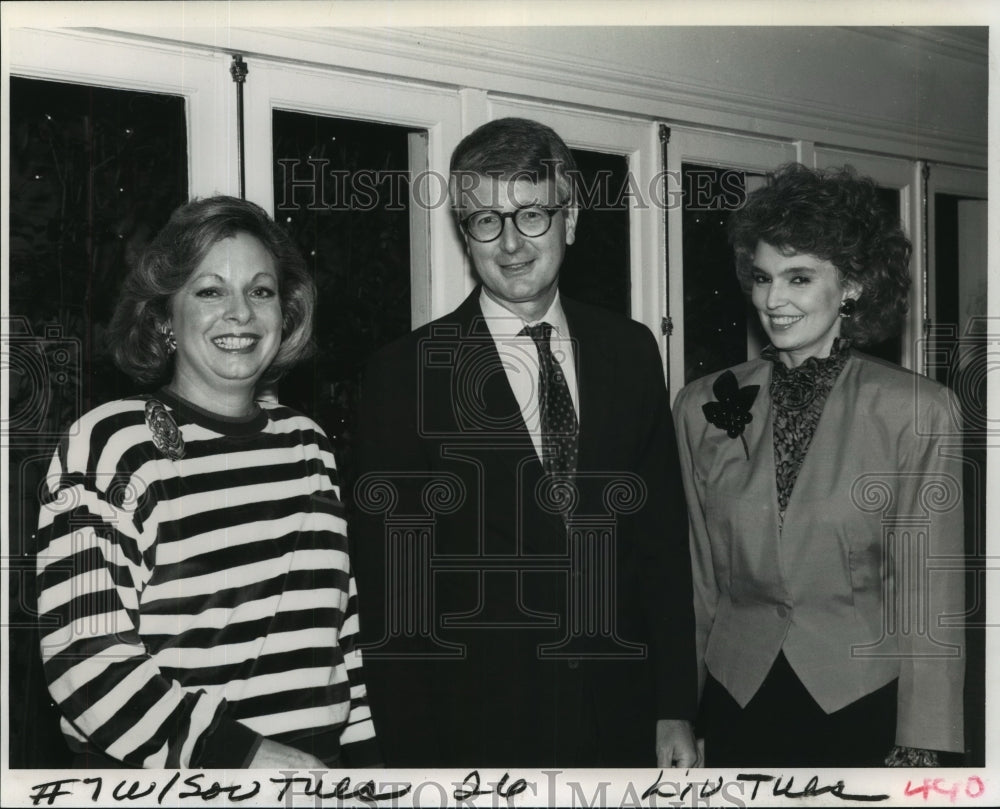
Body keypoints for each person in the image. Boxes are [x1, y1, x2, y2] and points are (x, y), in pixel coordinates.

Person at [353, 117, 697, 767]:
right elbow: (393, 597)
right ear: (465, 233)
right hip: (475, 734)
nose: (510, 243)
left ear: (569, 218)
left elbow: (660, 547)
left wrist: (674, 704)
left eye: (531, 214)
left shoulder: (630, 352)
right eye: (485, 220)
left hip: (623, 719)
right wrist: (417, 765)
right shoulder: (403, 374)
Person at [35, 196, 379, 769]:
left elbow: (346, 632)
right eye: (210, 290)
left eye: (261, 290)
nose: (240, 312)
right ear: (165, 316)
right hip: (181, 782)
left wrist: (368, 767)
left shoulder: (308, 442)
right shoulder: (112, 443)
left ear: (285, 312)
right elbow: (83, 655)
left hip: (318, 779)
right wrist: (236, 754)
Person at [673, 163, 965, 767]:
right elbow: (698, 579)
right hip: (735, 698)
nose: (773, 300)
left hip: (860, 702)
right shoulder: (701, 404)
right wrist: (679, 710)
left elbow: (927, 594)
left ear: (853, 284)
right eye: (762, 278)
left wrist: (923, 742)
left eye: (799, 278)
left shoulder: (916, 410)